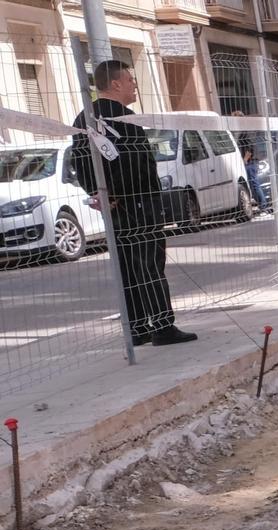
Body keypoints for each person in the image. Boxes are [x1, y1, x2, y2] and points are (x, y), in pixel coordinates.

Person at [69, 60, 196, 347]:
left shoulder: (83, 118)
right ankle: (163, 326)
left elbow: (79, 161)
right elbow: (132, 162)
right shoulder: (125, 118)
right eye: (129, 80)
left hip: (114, 206)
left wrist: (99, 194)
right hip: (138, 201)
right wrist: (113, 194)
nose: (133, 85)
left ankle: (137, 328)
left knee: (127, 265)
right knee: (149, 264)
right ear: (115, 84)